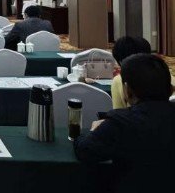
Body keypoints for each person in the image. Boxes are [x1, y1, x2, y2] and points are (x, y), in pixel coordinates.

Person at [73, 54, 175, 193]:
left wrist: (94, 130)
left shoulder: (121, 122)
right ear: (170, 89)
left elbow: (84, 150)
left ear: (127, 91)